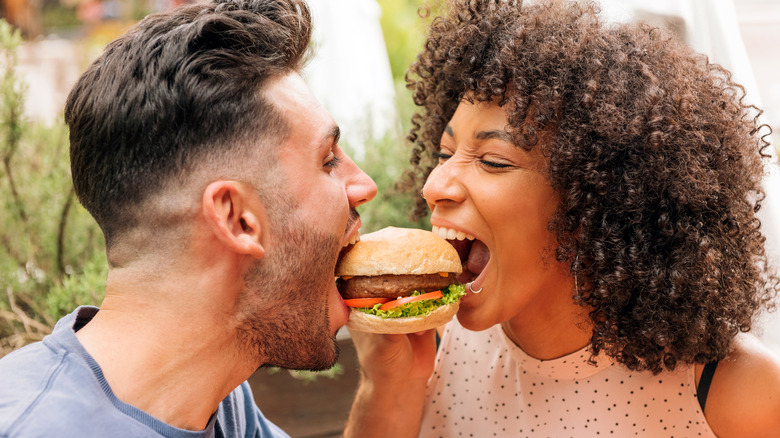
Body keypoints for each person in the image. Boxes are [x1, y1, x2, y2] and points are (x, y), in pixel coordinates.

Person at [344, 0, 780, 437]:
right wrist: (386, 385)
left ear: (593, 201)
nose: (435, 184)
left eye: (493, 161)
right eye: (444, 153)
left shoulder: (734, 390)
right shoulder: (425, 348)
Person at [0, 0, 376, 436]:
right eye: (328, 161)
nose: (363, 184)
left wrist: (392, 379)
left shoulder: (218, 403)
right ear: (237, 219)